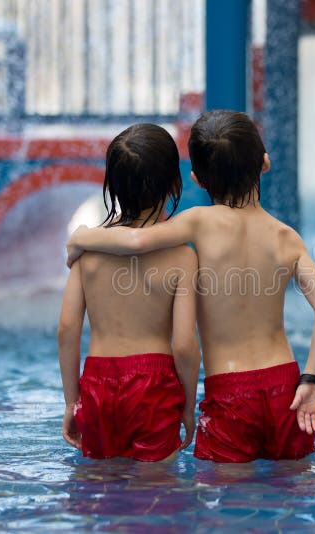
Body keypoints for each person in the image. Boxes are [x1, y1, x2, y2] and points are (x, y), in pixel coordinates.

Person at [66, 110, 315, 463]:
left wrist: (82, 239)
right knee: (293, 490)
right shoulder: (287, 238)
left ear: (196, 178)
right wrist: (312, 381)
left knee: (226, 505)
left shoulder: (198, 223)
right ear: (265, 163)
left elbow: (135, 241)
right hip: (285, 386)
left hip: (229, 390)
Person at [58, 123, 200, 462]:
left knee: (97, 485)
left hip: (96, 383)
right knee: (157, 493)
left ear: (112, 185)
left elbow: (66, 329)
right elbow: (183, 344)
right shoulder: (181, 256)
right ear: (173, 184)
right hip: (153, 385)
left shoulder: (86, 252)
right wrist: (189, 406)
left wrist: (71, 401)